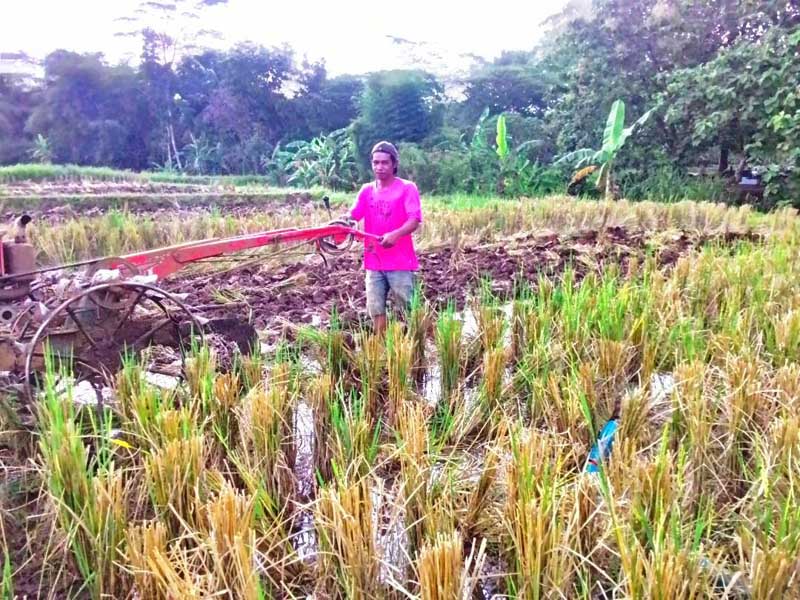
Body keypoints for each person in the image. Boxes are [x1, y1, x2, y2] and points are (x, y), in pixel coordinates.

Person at [346, 141, 422, 335]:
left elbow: (414, 220)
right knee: (375, 309)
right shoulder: (366, 191)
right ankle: (382, 351)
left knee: (409, 310)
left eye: (384, 163)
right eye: (376, 162)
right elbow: (353, 215)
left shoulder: (407, 188)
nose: (379, 167)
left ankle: (419, 347)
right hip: (374, 262)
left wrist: (395, 235)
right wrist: (340, 223)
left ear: (394, 164)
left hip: (399, 262)